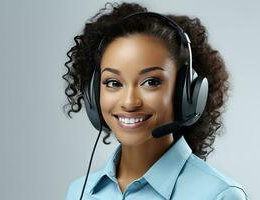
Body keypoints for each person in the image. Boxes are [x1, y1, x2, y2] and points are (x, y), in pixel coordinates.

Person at [63, 2, 248, 200]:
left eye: (151, 82)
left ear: (185, 94)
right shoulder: (79, 191)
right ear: (93, 93)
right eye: (114, 83)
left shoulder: (218, 195)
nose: (129, 102)